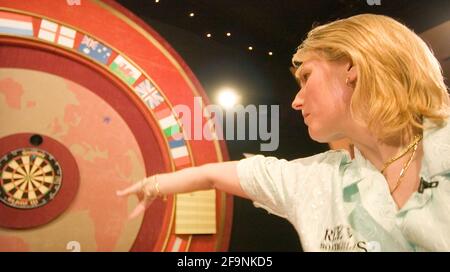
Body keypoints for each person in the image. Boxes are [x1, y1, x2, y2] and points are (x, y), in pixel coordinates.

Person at [117, 14, 450, 252]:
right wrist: (155, 185)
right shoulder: (319, 180)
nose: (296, 101)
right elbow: (213, 175)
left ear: (352, 67)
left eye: (306, 77)